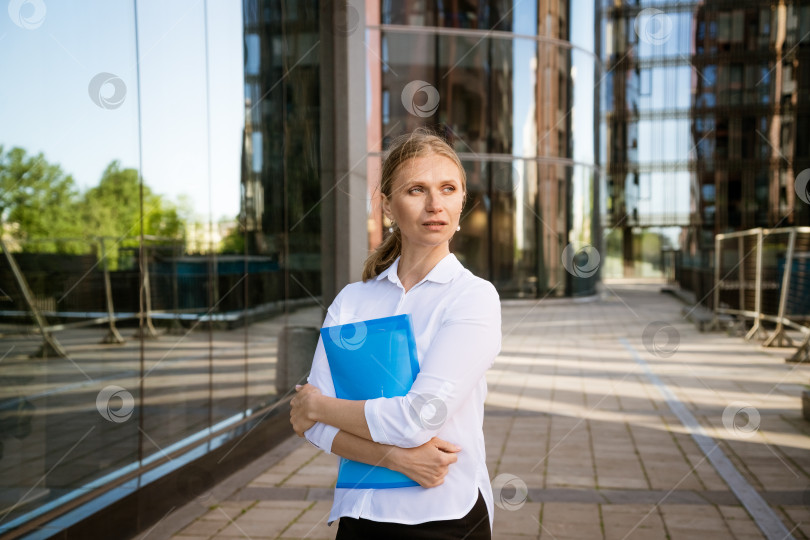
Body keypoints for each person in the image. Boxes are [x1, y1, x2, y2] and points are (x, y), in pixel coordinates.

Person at [290, 128, 502, 539]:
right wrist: (397, 459)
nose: (435, 204)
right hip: (361, 516)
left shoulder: (473, 298)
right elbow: (310, 427)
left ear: (462, 201)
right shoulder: (351, 301)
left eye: (448, 188)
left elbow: (418, 418)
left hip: (442, 515)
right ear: (388, 204)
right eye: (416, 190)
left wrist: (319, 406)